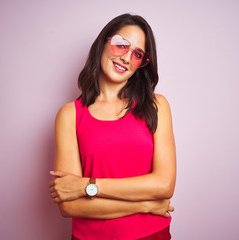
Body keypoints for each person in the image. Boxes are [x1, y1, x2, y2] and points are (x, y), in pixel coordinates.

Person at [49, 13, 176, 240]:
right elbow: (69, 206)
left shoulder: (157, 106)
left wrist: (87, 186)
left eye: (137, 54)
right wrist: (145, 205)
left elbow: (164, 186)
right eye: (121, 45)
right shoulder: (69, 115)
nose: (127, 58)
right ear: (103, 43)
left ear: (142, 64)